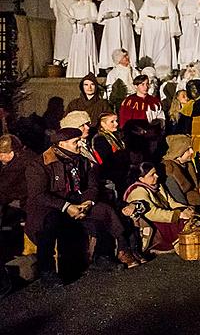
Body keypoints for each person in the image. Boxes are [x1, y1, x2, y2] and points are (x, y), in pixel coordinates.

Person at [27, 127, 141, 286]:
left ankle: (103, 256)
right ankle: (47, 271)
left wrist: (88, 203)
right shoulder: (39, 165)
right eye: (75, 142)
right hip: (50, 206)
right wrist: (67, 207)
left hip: (78, 201)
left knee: (104, 211)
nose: (80, 144)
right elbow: (39, 195)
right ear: (61, 144)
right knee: (48, 224)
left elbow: (92, 187)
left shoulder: (82, 160)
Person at [124, 162, 194, 254]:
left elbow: (170, 202)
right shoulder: (138, 191)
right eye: (152, 175)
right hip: (154, 222)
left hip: (164, 214)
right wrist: (179, 215)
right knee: (180, 222)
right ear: (141, 179)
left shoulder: (158, 186)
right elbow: (153, 213)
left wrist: (185, 208)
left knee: (191, 215)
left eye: (155, 173)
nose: (156, 176)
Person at [136, 0, 181, 70]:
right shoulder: (148, 0)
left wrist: (173, 30)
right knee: (150, 46)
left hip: (163, 25)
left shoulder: (167, 1)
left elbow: (173, 15)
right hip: (150, 25)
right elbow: (143, 13)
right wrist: (139, 25)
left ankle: (163, 68)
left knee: (163, 48)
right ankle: (149, 67)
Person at [97, 0, 137, 70]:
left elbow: (134, 15)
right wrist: (111, 14)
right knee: (112, 44)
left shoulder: (127, 0)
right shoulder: (107, 1)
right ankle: (111, 65)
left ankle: (127, 63)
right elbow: (100, 16)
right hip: (112, 27)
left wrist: (129, 13)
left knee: (126, 44)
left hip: (125, 27)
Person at [161, 135, 200, 207]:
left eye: (191, 148)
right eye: (188, 149)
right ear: (179, 151)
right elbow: (177, 199)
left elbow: (197, 179)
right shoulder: (169, 169)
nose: (192, 151)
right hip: (186, 208)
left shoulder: (188, 163)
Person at [0, 134, 36, 228]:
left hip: (26, 202)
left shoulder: (17, 166)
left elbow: (4, 188)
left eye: (1, 155)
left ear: (11, 153)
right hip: (26, 198)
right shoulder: (27, 154)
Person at [91, 113, 130, 196]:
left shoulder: (115, 136)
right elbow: (107, 160)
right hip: (112, 176)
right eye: (112, 122)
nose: (116, 124)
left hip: (121, 173)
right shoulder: (100, 139)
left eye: (116, 121)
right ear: (103, 124)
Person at [66, 0, 99, 78]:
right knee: (77, 49)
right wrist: (73, 21)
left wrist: (86, 20)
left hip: (87, 29)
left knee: (87, 49)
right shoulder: (73, 5)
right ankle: (76, 71)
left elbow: (95, 17)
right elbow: (70, 16)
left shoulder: (91, 5)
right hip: (77, 31)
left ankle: (88, 71)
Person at [50, 0, 78, 66]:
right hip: (64, 22)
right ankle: (60, 58)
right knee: (62, 40)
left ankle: (71, 59)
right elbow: (58, 8)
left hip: (75, 22)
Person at [177, 0, 200, 65]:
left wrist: (195, 18)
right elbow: (179, 11)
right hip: (184, 22)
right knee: (184, 41)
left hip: (193, 22)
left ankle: (194, 60)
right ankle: (184, 61)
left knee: (193, 40)